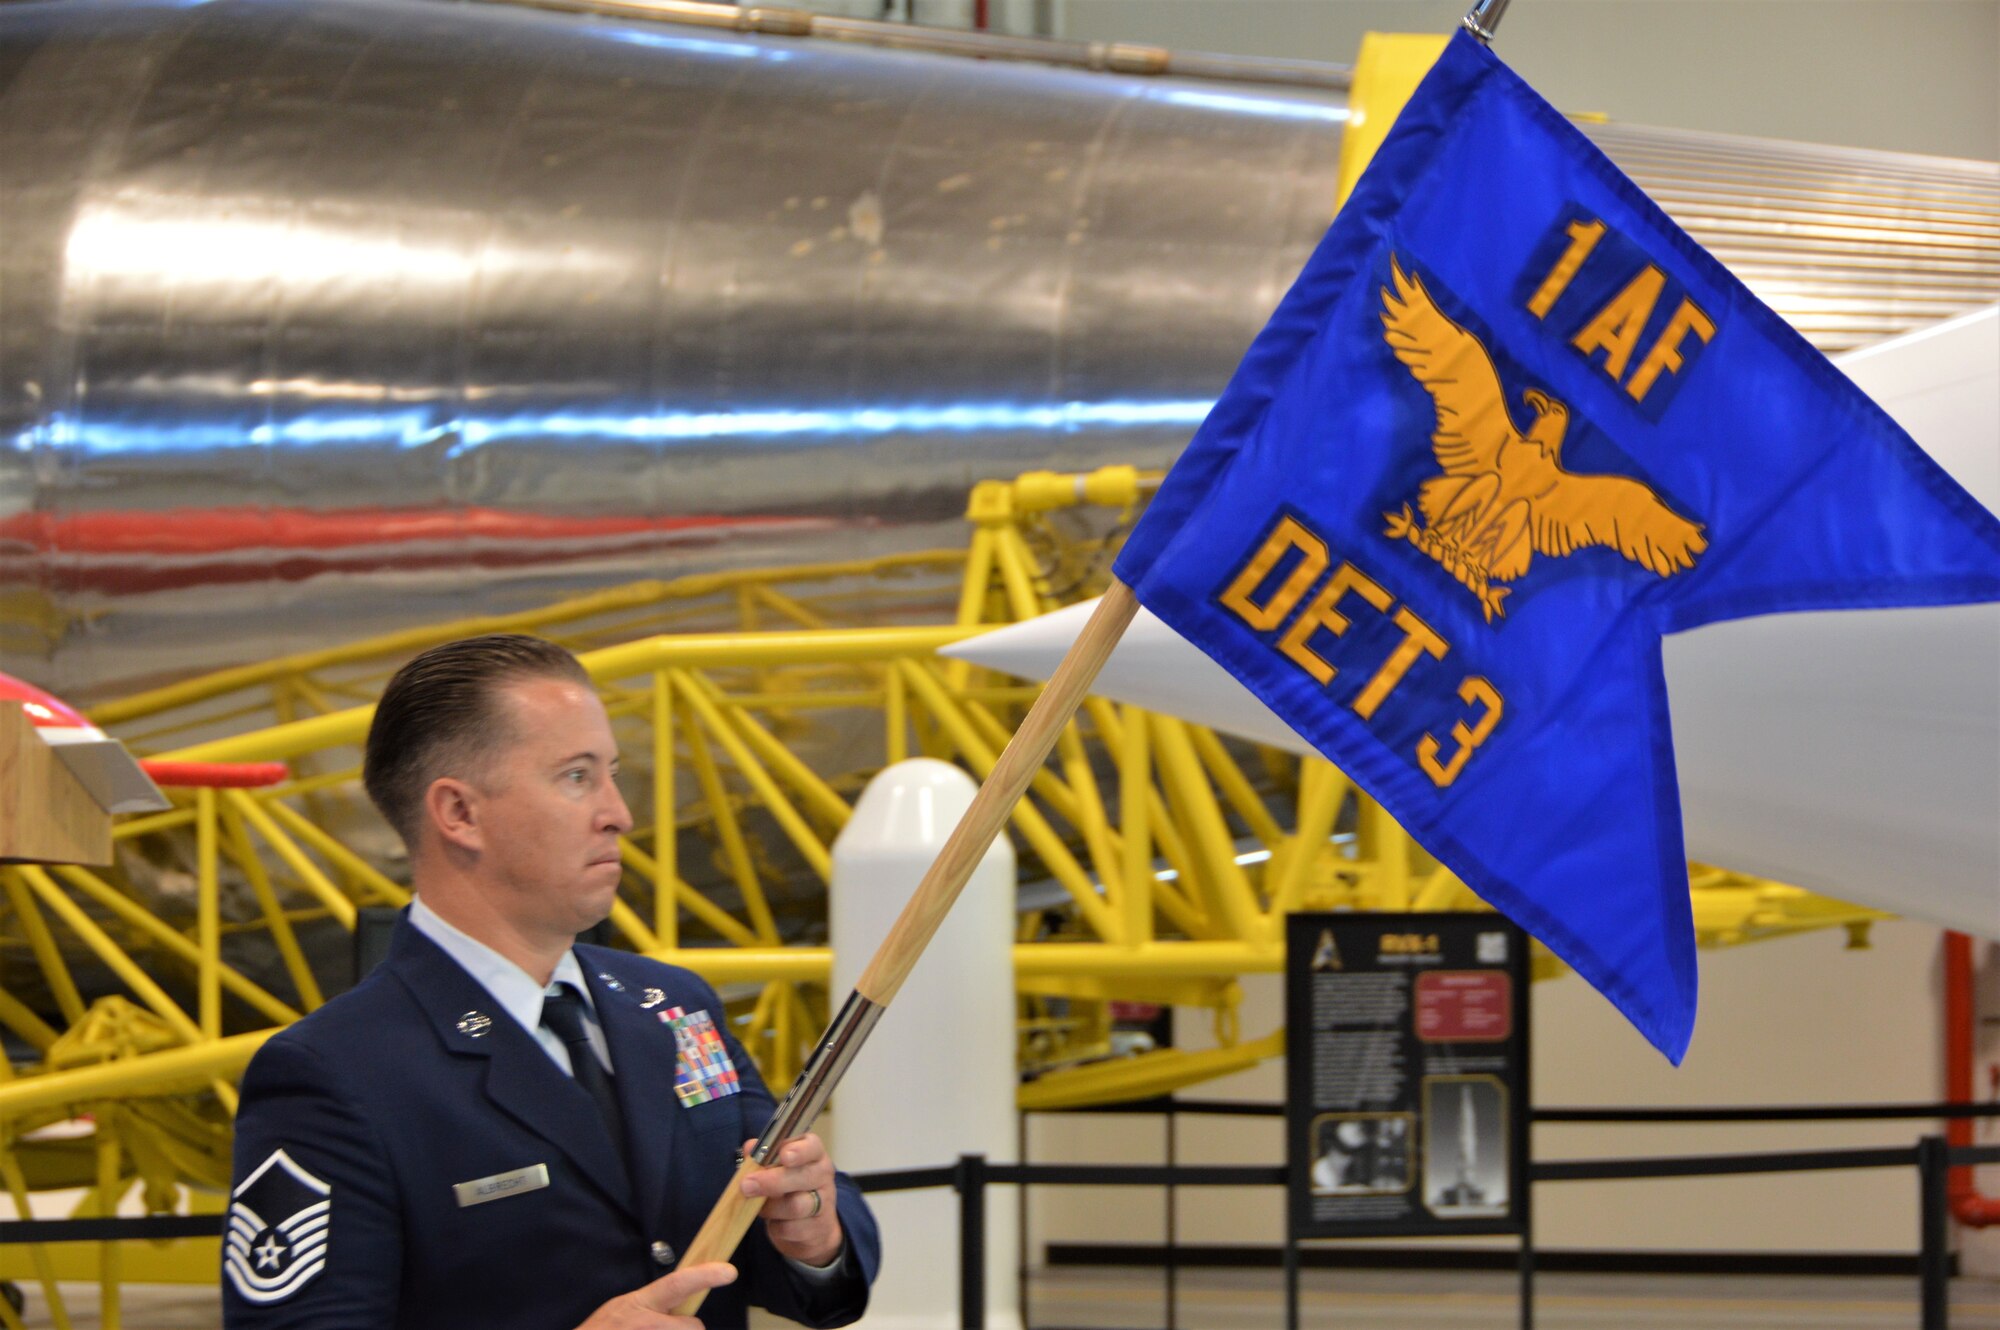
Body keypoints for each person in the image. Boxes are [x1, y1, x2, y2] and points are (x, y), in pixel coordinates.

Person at [222, 634, 879, 1329]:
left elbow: (788, 1266)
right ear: (459, 814)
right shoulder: (335, 1075)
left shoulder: (674, 1007)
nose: (619, 813)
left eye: (612, 773)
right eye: (576, 776)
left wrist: (813, 1235)